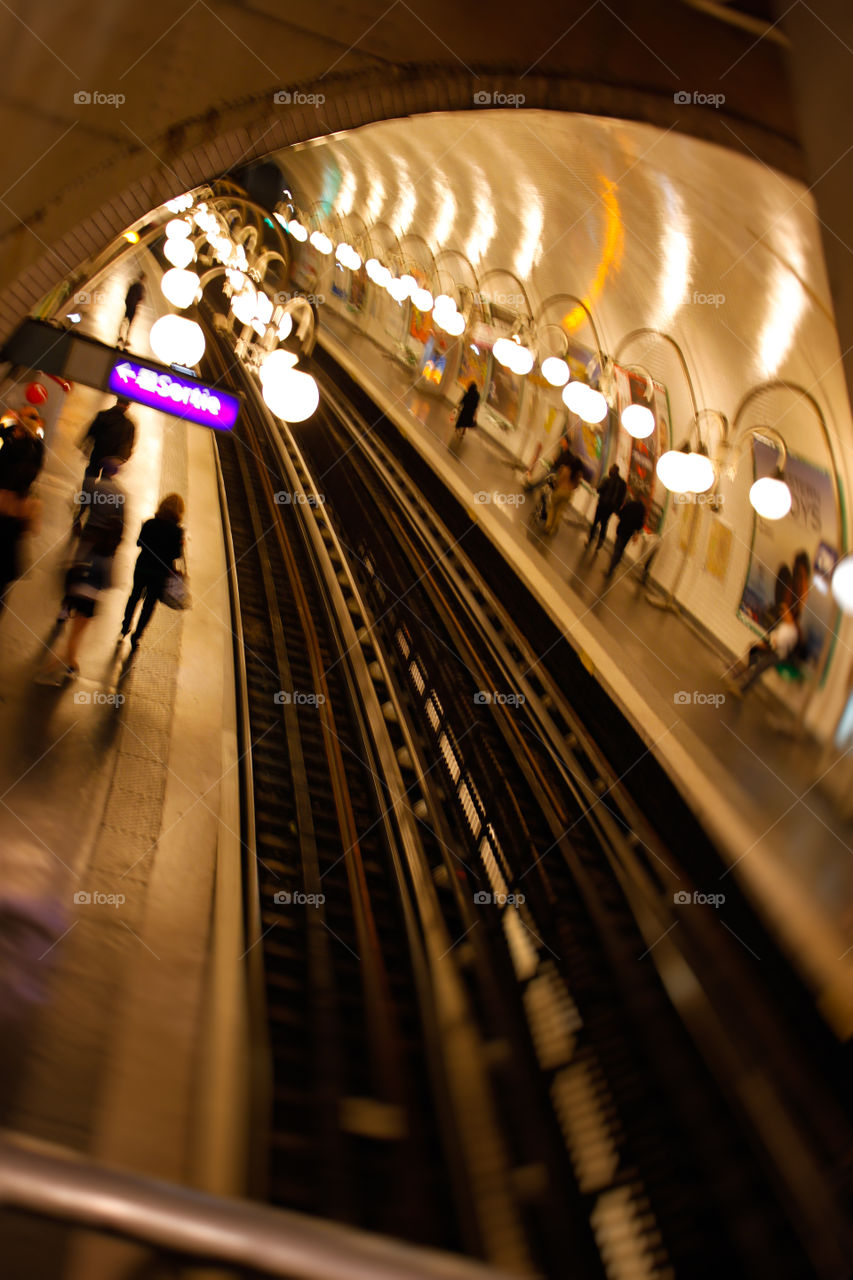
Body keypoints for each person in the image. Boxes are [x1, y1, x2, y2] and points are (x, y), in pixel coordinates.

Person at [38, 477, 126, 683]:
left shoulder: (88, 545)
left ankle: (69, 663)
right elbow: (110, 581)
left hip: (76, 588)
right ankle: (54, 669)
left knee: (75, 634)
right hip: (90, 598)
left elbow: (78, 504)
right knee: (76, 635)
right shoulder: (107, 557)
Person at [121, 493, 185, 652]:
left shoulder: (150, 523)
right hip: (160, 572)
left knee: (135, 595)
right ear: (179, 512)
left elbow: (138, 543)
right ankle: (137, 636)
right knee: (149, 605)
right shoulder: (177, 532)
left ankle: (125, 625)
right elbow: (176, 554)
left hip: (142, 566)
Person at [0, 408, 45, 613]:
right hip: (10, 535)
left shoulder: (10, 448)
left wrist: (10, 422)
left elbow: (3, 433)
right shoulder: (36, 452)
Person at [724, 604, 801, 698]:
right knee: (753, 654)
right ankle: (737, 675)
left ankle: (742, 690)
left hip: (777, 655)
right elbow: (773, 639)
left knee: (759, 667)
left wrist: (763, 645)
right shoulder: (785, 626)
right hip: (772, 650)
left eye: (785, 611)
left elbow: (775, 646)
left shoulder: (791, 632)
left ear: (790, 615)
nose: (782, 613)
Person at [80, 396, 135, 483]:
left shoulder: (102, 415)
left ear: (117, 402)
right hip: (113, 458)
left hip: (97, 453)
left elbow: (92, 431)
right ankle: (101, 495)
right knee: (106, 481)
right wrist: (123, 458)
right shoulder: (129, 425)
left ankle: (86, 494)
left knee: (90, 476)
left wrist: (84, 444)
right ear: (128, 406)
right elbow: (128, 444)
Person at [587, 464, 627, 551]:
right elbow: (622, 497)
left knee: (595, 522)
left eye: (610, 470)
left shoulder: (607, 480)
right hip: (611, 508)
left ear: (613, 471)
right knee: (604, 524)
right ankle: (600, 541)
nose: (609, 471)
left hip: (602, 504)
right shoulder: (622, 484)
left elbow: (599, 489)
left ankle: (590, 539)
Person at [541, 457, 584, 535]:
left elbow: (558, 480)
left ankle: (548, 526)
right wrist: (571, 487)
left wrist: (557, 485)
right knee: (559, 512)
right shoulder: (577, 475)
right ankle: (553, 530)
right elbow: (576, 486)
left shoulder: (564, 469)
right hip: (568, 494)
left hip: (560, 491)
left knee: (553, 509)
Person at [605, 497, 646, 578]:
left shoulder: (630, 504)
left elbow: (621, 513)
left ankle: (612, 566)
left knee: (617, 547)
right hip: (629, 532)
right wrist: (636, 532)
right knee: (621, 549)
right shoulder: (641, 510)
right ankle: (614, 566)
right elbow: (640, 523)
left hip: (622, 528)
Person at [117, 274, 145, 349]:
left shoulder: (133, 284)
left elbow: (128, 294)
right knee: (130, 324)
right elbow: (140, 298)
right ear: (143, 279)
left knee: (124, 321)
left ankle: (119, 335)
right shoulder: (141, 287)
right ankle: (126, 339)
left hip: (129, 305)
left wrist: (127, 303)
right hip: (133, 306)